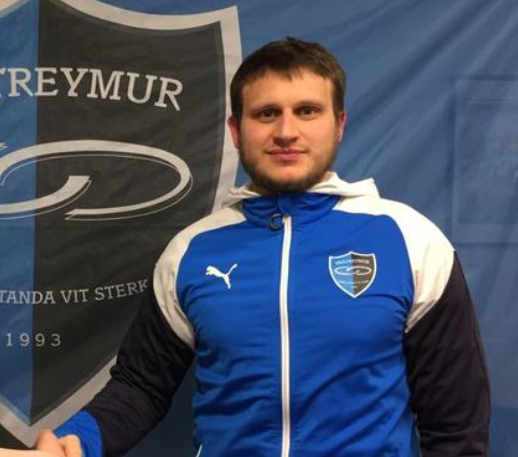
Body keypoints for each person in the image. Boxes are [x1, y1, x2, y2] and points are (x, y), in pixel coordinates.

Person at [34, 37, 490, 457]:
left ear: (339, 124)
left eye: (307, 111)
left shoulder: (412, 241)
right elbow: (141, 386)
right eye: (267, 113)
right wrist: (77, 442)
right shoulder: (191, 251)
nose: (286, 131)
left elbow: (455, 428)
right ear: (236, 130)